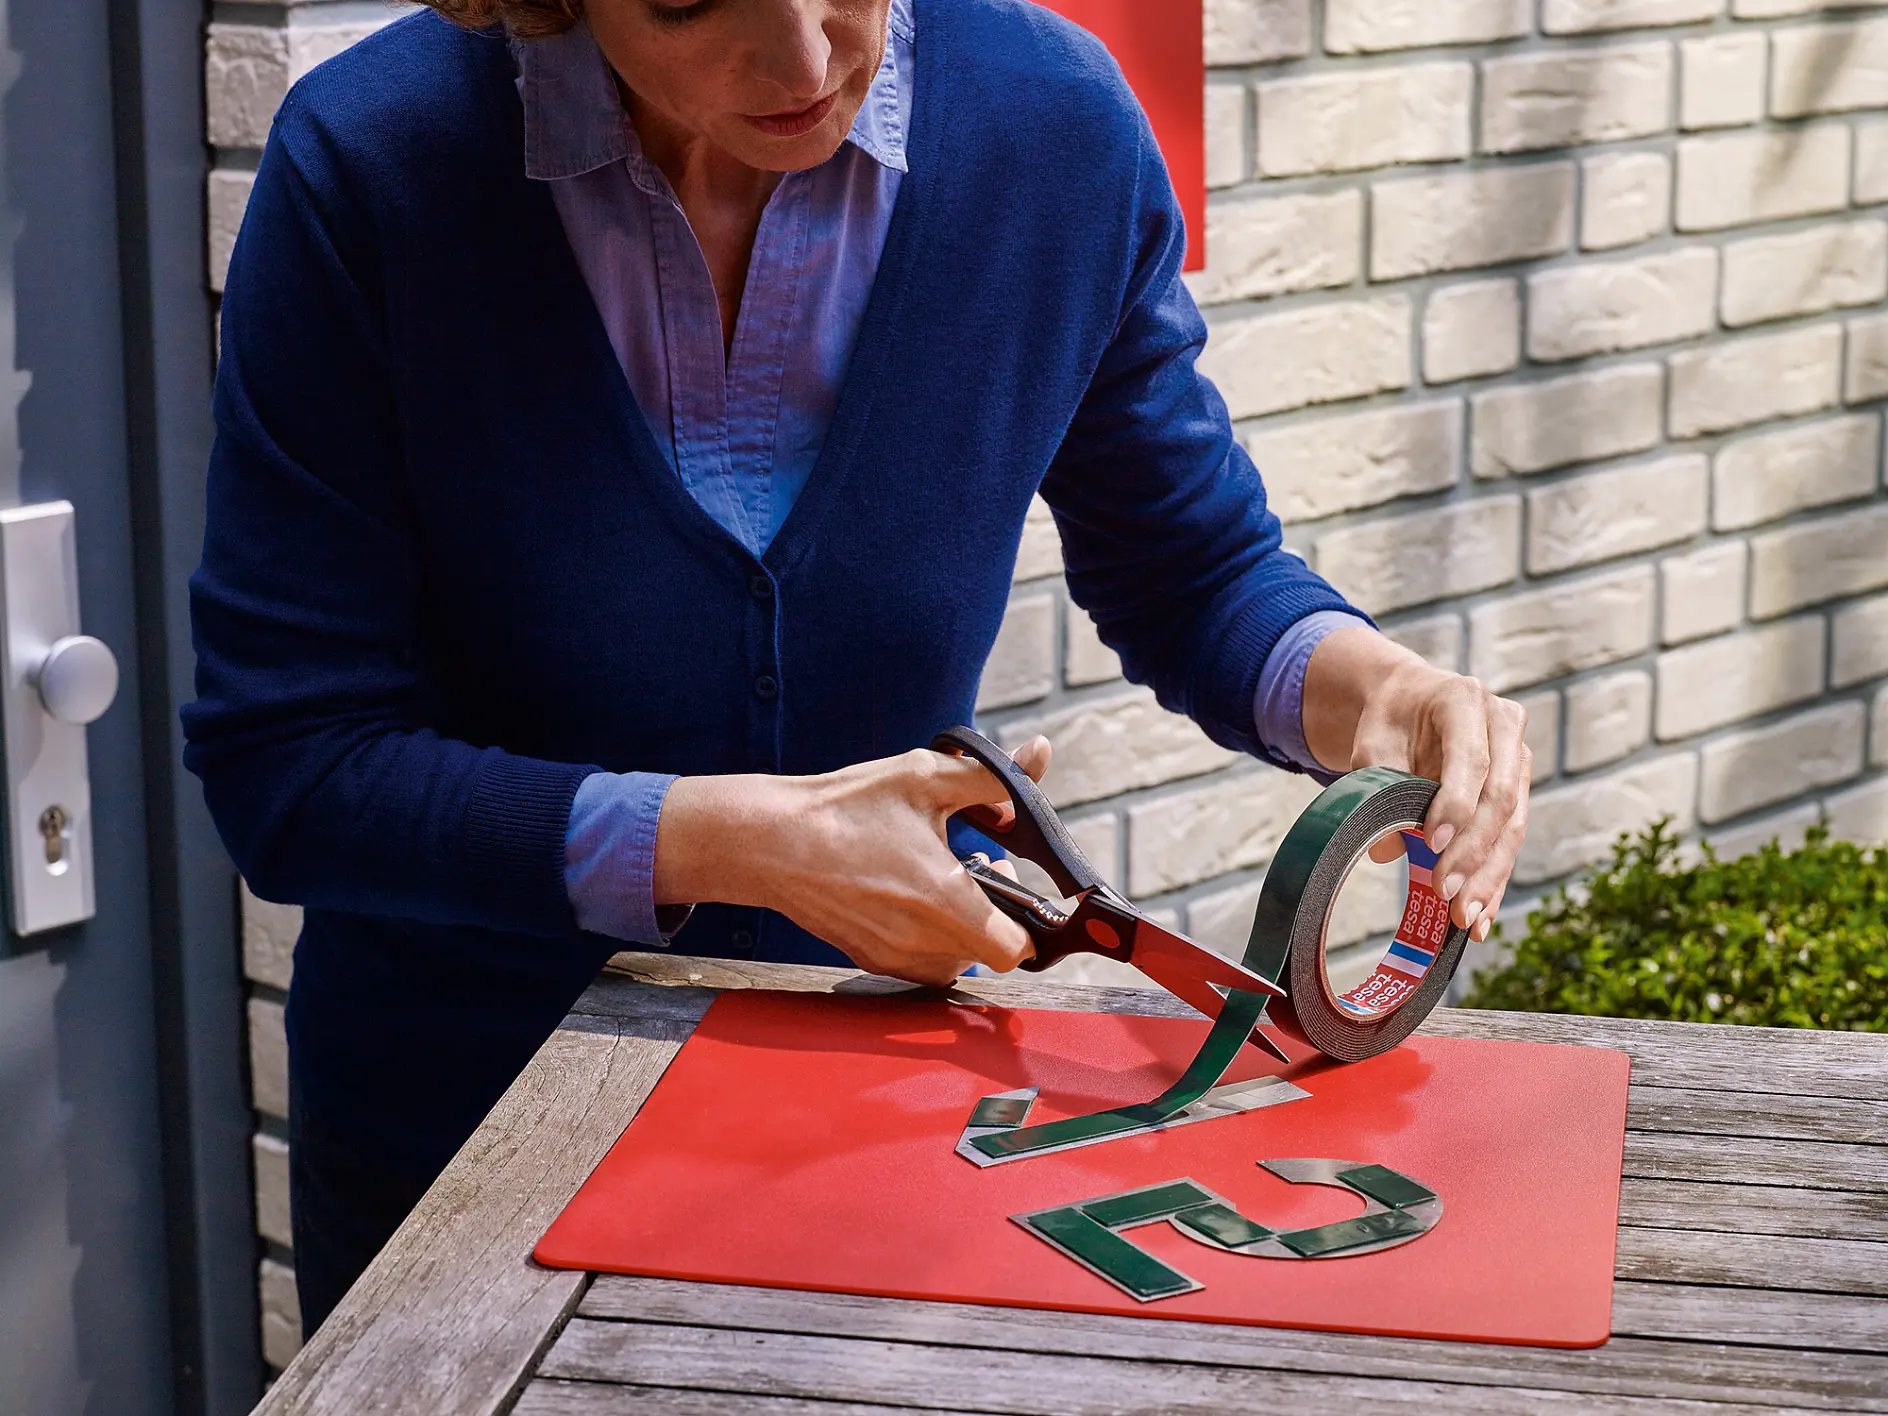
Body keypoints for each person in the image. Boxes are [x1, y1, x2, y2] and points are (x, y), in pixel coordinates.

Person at [183, 0, 1532, 1338]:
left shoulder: (1049, 127)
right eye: (687, 4)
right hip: (463, 1162)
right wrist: (725, 843)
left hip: (885, 1153)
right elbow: (293, 769)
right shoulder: (376, 161)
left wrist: (1381, 692)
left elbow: (1195, 572)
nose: (807, 60)